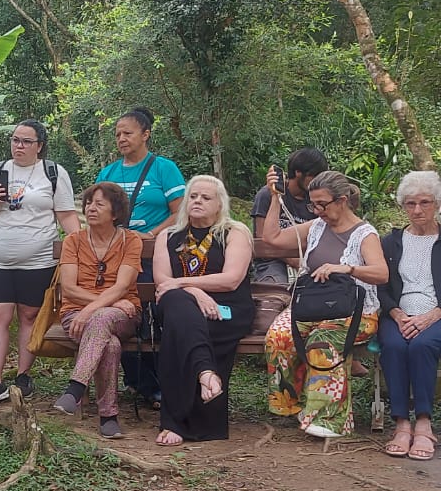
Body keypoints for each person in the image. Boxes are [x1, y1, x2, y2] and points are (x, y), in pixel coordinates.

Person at [261, 170, 388, 438]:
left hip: (354, 311)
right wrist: (274, 198)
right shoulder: (316, 226)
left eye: (322, 205)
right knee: (278, 337)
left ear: (342, 201)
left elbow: (381, 273)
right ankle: (294, 404)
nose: (317, 211)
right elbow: (272, 238)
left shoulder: (365, 234)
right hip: (313, 305)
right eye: (313, 205)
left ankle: (331, 419)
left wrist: (347, 268)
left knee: (323, 341)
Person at [0, 120, 79, 405]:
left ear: (39, 146)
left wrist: (79, 245)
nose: (19, 146)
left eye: (26, 141)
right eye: (15, 140)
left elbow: (66, 214)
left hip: (38, 261)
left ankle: (23, 375)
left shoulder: (53, 173)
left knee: (29, 316)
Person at [152, 176, 254, 445]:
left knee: (179, 328)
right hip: (179, 307)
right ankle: (206, 372)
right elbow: (163, 282)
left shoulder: (234, 232)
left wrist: (182, 284)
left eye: (205, 197)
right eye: (193, 196)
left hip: (225, 310)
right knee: (178, 308)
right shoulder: (168, 235)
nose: (197, 201)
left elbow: (231, 279)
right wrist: (195, 292)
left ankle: (173, 423)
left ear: (220, 204)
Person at [97, 107, 186, 407]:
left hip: (153, 257)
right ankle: (140, 382)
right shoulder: (109, 173)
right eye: (117, 134)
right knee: (124, 313)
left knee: (152, 316)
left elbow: (180, 213)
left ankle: (160, 383)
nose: (121, 139)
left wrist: (151, 234)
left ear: (145, 134)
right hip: (117, 257)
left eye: (128, 133)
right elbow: (97, 211)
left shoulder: (164, 168)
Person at [51, 182, 143, 439]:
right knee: (110, 345)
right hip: (77, 314)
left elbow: (122, 286)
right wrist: (102, 305)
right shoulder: (73, 241)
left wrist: (91, 309)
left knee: (101, 317)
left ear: (115, 213)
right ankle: (108, 417)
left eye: (99, 204)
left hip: (122, 315)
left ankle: (75, 388)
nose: (91, 208)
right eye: (89, 203)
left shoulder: (130, 240)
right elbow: (69, 288)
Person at [378, 170, 441, 460]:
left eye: (425, 202)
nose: (418, 210)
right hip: (398, 313)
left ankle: (424, 423)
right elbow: (380, 286)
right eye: (411, 203)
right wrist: (396, 313)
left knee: (422, 345)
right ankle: (402, 423)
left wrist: (431, 316)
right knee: (392, 345)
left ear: (436, 204)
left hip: (436, 314)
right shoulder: (390, 243)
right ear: (403, 205)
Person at [251, 148, 328, 286]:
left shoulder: (314, 198)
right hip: (272, 259)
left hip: (305, 258)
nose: (316, 181)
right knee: (276, 288)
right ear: (298, 172)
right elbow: (262, 239)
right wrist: (293, 261)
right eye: (314, 176)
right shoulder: (267, 195)